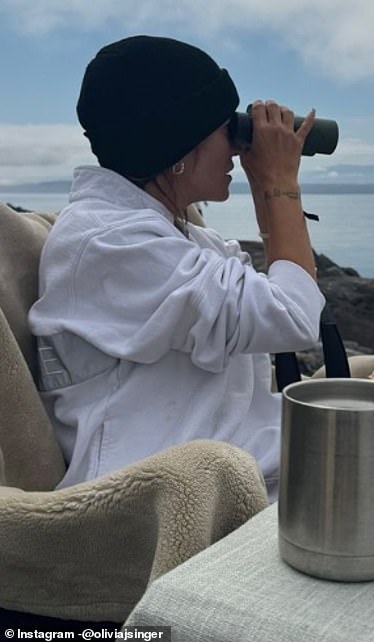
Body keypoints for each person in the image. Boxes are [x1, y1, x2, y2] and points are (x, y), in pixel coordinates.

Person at [28, 35, 325, 501]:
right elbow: (292, 315)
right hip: (154, 502)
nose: (236, 147)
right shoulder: (108, 242)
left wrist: (270, 186)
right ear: (177, 146)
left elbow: (269, 305)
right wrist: (279, 182)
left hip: (228, 472)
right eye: (226, 129)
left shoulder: (170, 236)